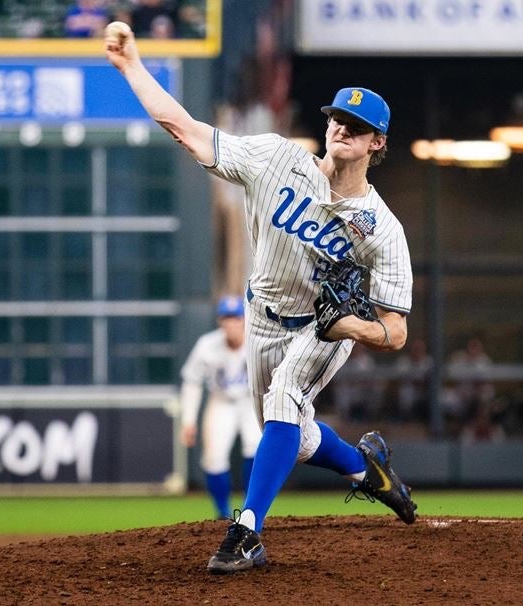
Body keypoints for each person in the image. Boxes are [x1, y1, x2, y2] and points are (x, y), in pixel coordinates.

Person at [106, 24, 418, 575]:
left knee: (282, 401)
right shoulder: (275, 159)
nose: (343, 127)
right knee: (291, 437)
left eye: (359, 126)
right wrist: (132, 65)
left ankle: (246, 531)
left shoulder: (383, 230)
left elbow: (395, 332)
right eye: (337, 118)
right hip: (262, 318)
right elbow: (185, 128)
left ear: (377, 144)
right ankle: (369, 471)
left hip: (322, 332)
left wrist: (350, 326)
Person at [179, 295, 261, 520]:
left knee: (255, 449)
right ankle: (223, 512)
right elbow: (191, 382)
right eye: (227, 318)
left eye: (236, 318)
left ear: (245, 320)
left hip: (251, 402)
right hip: (221, 402)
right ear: (219, 321)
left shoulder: (257, 340)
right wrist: (188, 420)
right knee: (213, 458)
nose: (231, 323)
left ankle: (251, 509)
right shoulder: (207, 344)